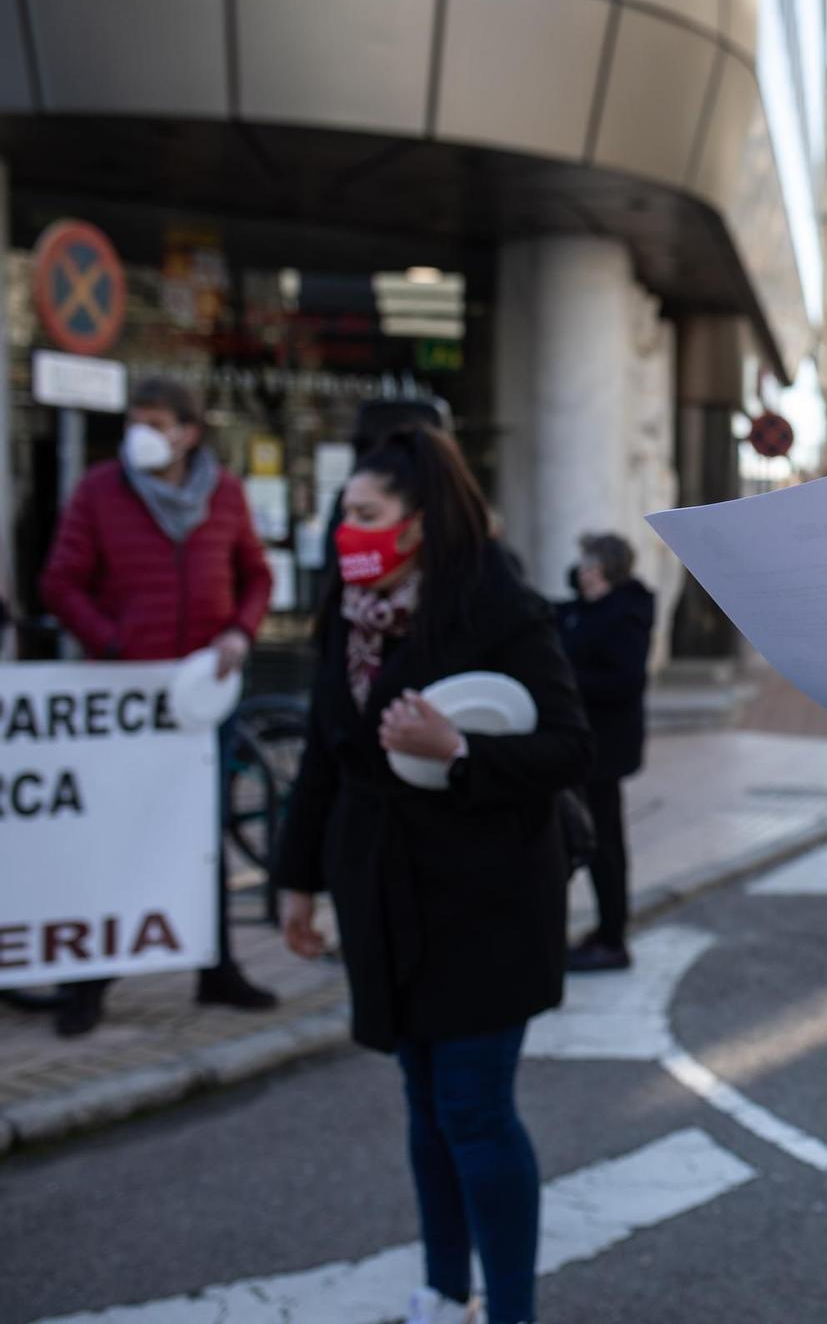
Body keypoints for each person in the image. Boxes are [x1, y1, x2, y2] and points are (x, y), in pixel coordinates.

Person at [274, 424, 592, 1324]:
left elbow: (570, 746)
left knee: (474, 1109)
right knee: (424, 1102)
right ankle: (445, 1289)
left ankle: (511, 1310)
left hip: (485, 897)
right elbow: (324, 756)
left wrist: (456, 750)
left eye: (369, 514)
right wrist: (296, 880)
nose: (350, 530)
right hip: (382, 894)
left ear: (421, 521)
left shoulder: (496, 603)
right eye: (345, 512)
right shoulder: (348, 608)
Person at [39, 375, 278, 1037]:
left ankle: (215, 965)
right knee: (113, 834)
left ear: (188, 433)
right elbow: (60, 582)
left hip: (203, 697)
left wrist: (240, 632)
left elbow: (256, 575)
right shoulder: (99, 491)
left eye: (154, 422)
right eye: (133, 420)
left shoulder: (224, 493)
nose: (139, 434)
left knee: (202, 834)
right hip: (126, 699)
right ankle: (88, 981)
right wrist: (113, 643)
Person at [554, 531, 657, 972]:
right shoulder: (584, 609)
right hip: (584, 745)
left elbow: (626, 680)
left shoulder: (624, 613)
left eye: (585, 561)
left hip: (604, 749)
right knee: (594, 841)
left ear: (599, 568)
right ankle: (605, 934)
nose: (578, 569)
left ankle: (612, 939)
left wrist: (565, 682)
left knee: (604, 845)